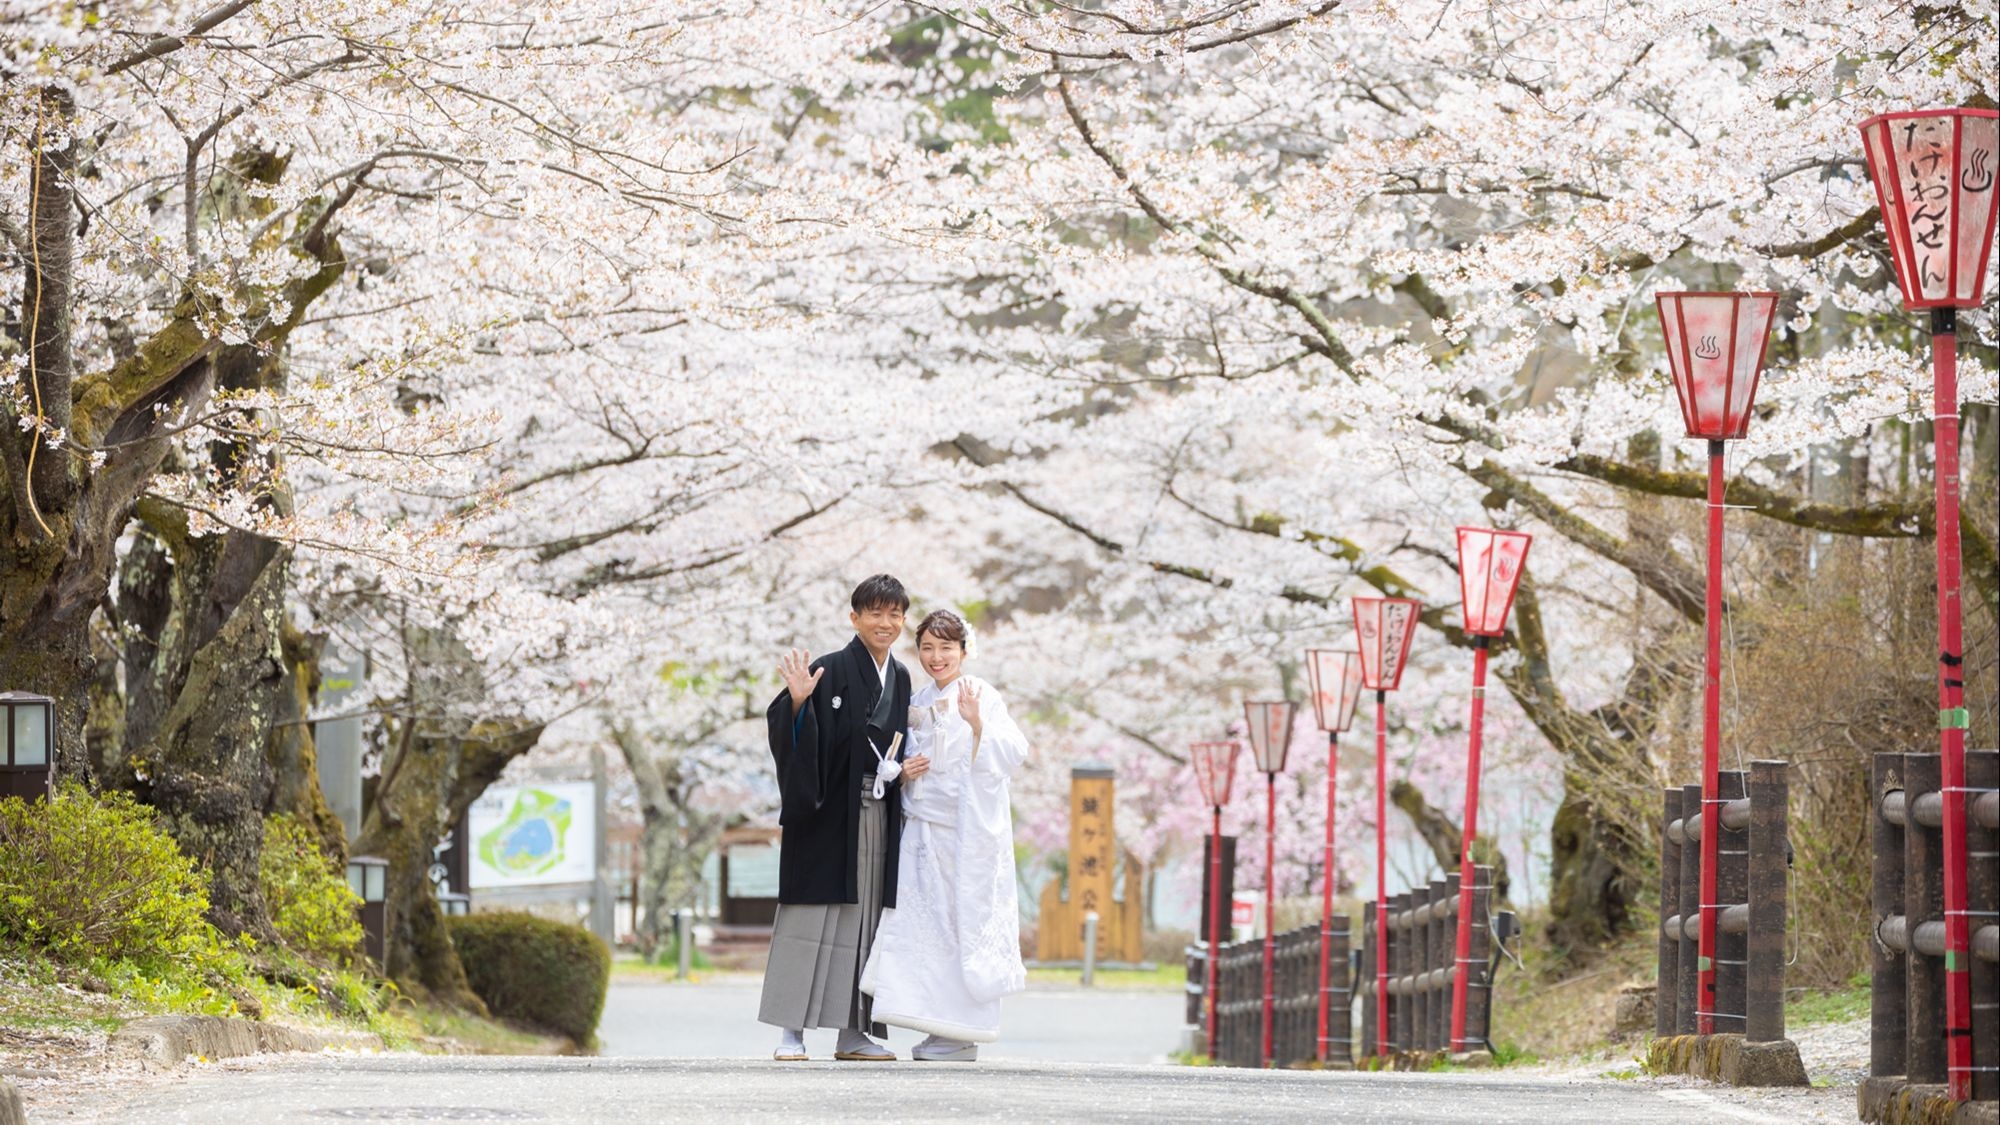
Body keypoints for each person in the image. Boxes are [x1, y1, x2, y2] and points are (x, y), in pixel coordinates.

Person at [759, 574, 923, 1062]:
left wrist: (901, 771)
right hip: (828, 813)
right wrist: (796, 702)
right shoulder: (827, 669)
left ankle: (853, 1033)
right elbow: (789, 732)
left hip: (878, 812)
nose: (885, 623)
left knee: (866, 920)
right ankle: (791, 1032)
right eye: (875, 613)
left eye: (895, 614)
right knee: (810, 919)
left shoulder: (901, 677)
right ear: (855, 618)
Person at [860, 608, 1028, 1061]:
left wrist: (977, 725)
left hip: (962, 836)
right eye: (928, 648)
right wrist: (903, 771)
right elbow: (899, 755)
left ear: (964, 651)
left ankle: (962, 1032)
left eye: (946, 648)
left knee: (959, 927)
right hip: (922, 832)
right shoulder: (918, 698)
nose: (936, 657)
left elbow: (1014, 752)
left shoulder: (982, 694)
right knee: (924, 929)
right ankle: (938, 1027)